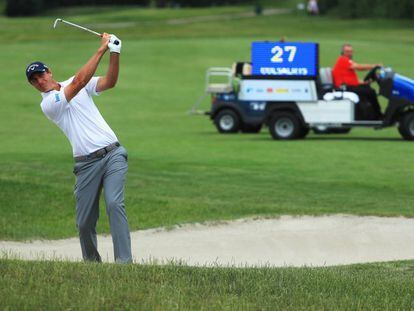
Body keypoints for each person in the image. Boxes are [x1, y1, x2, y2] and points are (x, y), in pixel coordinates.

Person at [26, 33, 132, 263]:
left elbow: (109, 82)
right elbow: (79, 83)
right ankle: (92, 265)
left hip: (113, 153)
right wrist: (101, 49)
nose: (39, 81)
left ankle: (124, 263)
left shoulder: (76, 82)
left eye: (40, 74)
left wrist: (115, 52)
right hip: (86, 165)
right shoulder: (48, 104)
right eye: (33, 80)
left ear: (49, 71)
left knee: (114, 203)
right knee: (84, 222)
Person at [332, 43, 383, 119]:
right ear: (343, 52)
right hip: (344, 88)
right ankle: (377, 115)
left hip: (348, 86)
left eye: (351, 51)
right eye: (347, 51)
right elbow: (358, 67)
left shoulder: (347, 61)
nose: (349, 53)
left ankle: (371, 114)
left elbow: (350, 79)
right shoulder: (343, 59)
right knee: (370, 92)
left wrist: (364, 82)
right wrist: (374, 66)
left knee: (367, 88)